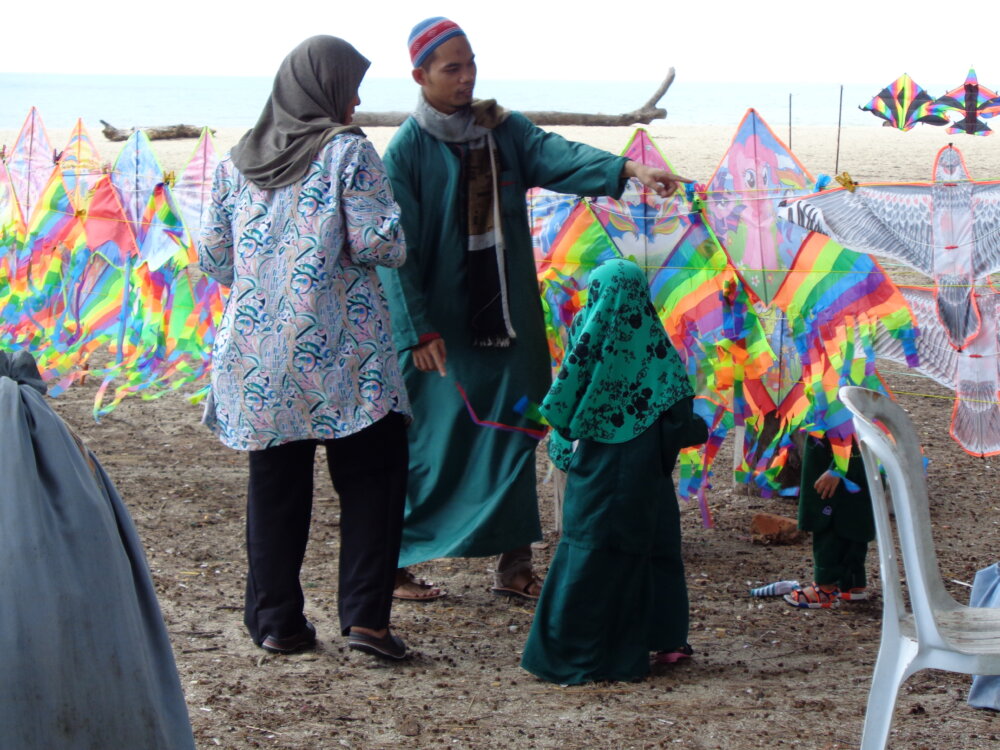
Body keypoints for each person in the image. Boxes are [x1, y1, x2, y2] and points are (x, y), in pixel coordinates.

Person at [379, 17, 692, 601]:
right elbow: (397, 252)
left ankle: (515, 565)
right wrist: (416, 332)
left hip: (508, 324)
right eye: (453, 68)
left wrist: (629, 170)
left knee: (519, 429)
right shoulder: (406, 151)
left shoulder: (502, 130)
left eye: (471, 63)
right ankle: (397, 561)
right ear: (420, 75)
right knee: (433, 442)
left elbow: (558, 154)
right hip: (442, 335)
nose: (467, 77)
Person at [199, 35, 411, 660]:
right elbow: (380, 245)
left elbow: (214, 257)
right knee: (373, 480)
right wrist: (397, 223)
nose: (357, 97)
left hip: (259, 359)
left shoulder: (235, 163)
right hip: (346, 354)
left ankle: (278, 624)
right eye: (350, 84)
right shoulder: (349, 154)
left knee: (275, 488)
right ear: (326, 88)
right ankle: (367, 622)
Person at [520, 259, 702, 684]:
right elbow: (679, 419)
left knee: (589, 556)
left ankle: (571, 655)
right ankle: (663, 638)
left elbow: (560, 411)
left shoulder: (588, 338)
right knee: (653, 553)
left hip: (595, 480)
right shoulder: (657, 350)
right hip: (647, 483)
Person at [783, 434, 874, 608]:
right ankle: (852, 582)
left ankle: (825, 587)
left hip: (837, 457)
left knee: (829, 516)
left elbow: (851, 427)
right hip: (843, 454)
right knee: (852, 512)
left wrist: (837, 468)